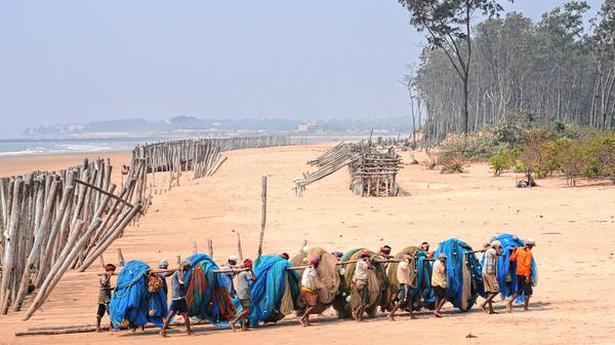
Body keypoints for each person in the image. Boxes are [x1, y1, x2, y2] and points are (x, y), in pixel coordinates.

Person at [160, 260, 192, 337]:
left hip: (177, 296)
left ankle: (163, 330)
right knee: (184, 314)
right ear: (184, 266)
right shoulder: (178, 272)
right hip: (179, 297)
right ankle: (188, 330)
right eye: (188, 267)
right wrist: (181, 270)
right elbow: (181, 281)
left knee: (173, 313)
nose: (189, 268)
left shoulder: (179, 272)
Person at [507, 239, 536, 312]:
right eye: (532, 246)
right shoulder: (528, 253)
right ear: (530, 246)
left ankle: (509, 302)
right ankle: (525, 308)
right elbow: (527, 265)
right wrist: (527, 276)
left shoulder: (519, 250)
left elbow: (511, 259)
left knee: (520, 290)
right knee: (528, 292)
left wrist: (514, 251)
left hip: (518, 273)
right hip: (525, 274)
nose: (532, 247)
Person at [231, 259, 256, 331]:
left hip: (240, 293)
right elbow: (254, 279)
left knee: (244, 310)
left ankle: (244, 327)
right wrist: (251, 271)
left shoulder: (240, 272)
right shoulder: (246, 273)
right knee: (247, 310)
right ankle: (234, 321)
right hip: (244, 293)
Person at [388, 254, 416, 321]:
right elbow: (404, 268)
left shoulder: (406, 265)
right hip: (403, 285)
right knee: (401, 300)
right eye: (409, 259)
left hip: (407, 284)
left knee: (409, 300)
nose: (410, 261)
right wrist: (406, 261)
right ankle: (391, 314)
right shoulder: (402, 264)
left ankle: (411, 315)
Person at [480, 240, 502, 314]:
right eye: (499, 247)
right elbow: (499, 253)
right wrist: (496, 247)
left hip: (485, 272)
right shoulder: (492, 250)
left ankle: (491, 310)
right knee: (496, 290)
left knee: (490, 292)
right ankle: (483, 304)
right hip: (489, 272)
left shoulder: (488, 250)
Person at [299, 258, 320, 326]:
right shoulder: (310, 270)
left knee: (308, 306)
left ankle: (306, 322)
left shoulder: (308, 269)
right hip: (306, 290)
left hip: (304, 290)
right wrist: (313, 267)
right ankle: (302, 318)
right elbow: (313, 275)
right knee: (313, 305)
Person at [352, 250, 372, 321]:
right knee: (364, 301)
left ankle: (358, 314)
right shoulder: (362, 263)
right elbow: (369, 267)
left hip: (359, 282)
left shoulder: (358, 262)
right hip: (362, 283)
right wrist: (368, 261)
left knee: (364, 301)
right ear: (365, 257)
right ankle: (358, 314)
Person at [96, 263, 116, 332]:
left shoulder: (106, 276)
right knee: (111, 312)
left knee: (101, 311)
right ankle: (110, 327)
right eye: (112, 271)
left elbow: (107, 288)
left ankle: (98, 328)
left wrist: (113, 288)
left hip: (106, 296)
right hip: (105, 298)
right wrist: (109, 276)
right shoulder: (103, 276)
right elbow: (104, 284)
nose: (113, 273)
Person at [431, 253, 448, 318]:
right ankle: (437, 310)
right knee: (444, 297)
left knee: (437, 297)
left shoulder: (435, 262)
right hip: (439, 283)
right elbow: (443, 271)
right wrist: (445, 264)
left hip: (434, 282)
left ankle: (436, 311)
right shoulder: (440, 264)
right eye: (444, 258)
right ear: (441, 258)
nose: (444, 259)